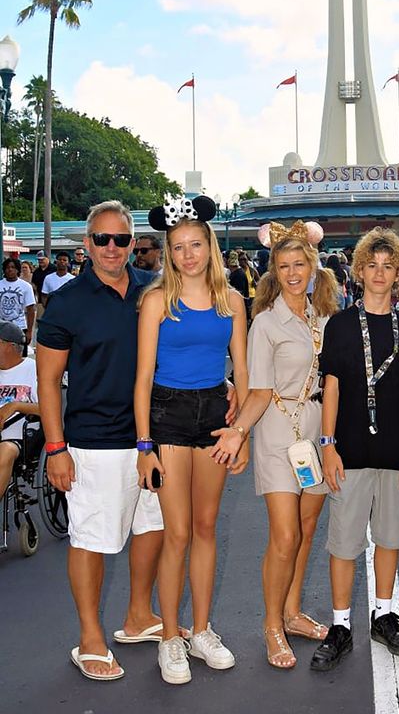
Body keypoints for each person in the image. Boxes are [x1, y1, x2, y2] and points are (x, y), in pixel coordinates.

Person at [37, 200, 167, 682]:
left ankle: (137, 616)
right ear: (87, 244)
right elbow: (49, 382)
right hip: (93, 442)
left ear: (134, 243)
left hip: (154, 438)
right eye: (101, 239)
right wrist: (55, 448)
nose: (111, 248)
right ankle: (89, 638)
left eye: (121, 239)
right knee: (91, 538)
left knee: (152, 528)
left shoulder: (153, 291)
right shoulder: (67, 302)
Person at [214, 220, 339, 670]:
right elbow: (260, 391)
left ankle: (291, 612)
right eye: (283, 265)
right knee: (284, 535)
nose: (292, 272)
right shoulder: (265, 323)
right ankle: (271, 625)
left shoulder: (325, 316)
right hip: (275, 428)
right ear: (273, 271)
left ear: (313, 266)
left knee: (305, 533)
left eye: (299, 264)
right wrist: (239, 431)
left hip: (317, 429)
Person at [134, 196, 248, 685]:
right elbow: (141, 379)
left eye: (196, 244)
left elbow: (242, 374)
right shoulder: (157, 300)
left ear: (210, 246)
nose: (188, 254)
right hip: (168, 415)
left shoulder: (233, 302)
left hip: (214, 416)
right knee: (176, 531)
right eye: (178, 247)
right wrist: (143, 446)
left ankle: (201, 630)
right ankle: (170, 637)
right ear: (168, 251)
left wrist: (238, 433)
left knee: (206, 527)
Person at [310, 229, 399, 672]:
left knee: (389, 536)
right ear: (359, 272)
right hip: (349, 449)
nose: (379, 274)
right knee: (344, 542)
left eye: (388, 267)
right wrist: (327, 445)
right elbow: (332, 388)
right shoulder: (342, 326)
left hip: (395, 449)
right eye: (372, 266)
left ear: (398, 273)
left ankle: (383, 615)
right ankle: (340, 624)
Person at [0, 321, 39, 499]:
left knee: (6, 451)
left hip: (20, 437)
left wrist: (15, 406)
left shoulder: (33, 369)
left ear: (10, 345)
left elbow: (48, 409)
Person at [0, 258, 36, 356]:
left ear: (17, 270)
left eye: (13, 267)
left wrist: (29, 331)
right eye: (7, 268)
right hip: (1, 326)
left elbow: (30, 310)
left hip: (20, 326)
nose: (10, 270)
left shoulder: (26, 286)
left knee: (19, 356)